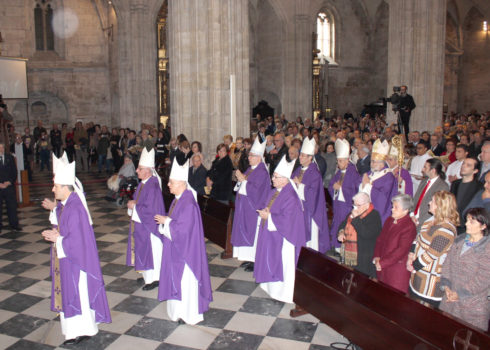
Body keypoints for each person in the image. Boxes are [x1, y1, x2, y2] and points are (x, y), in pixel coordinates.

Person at [41, 158, 111, 345]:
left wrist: (59, 239)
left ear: (66, 188)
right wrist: (58, 234)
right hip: (69, 259)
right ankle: (77, 329)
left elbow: (78, 242)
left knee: (78, 294)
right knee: (74, 293)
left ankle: (83, 330)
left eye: (56, 186)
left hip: (76, 261)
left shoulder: (75, 207)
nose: (53, 190)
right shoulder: (68, 204)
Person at [155, 160, 213, 325]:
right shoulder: (178, 199)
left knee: (185, 283)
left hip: (186, 254)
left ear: (181, 183)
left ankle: (189, 314)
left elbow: (183, 231)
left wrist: (166, 222)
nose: (168, 184)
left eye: (171, 182)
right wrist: (166, 222)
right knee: (178, 280)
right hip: (177, 249)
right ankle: (178, 312)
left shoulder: (187, 202)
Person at [254, 155, 307, 303]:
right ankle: (270, 287)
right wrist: (266, 211)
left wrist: (268, 217)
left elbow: (288, 220)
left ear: (285, 179)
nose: (273, 179)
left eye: (276, 177)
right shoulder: (276, 191)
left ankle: (283, 293)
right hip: (273, 235)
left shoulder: (290, 196)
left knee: (282, 265)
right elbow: (270, 206)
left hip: (285, 238)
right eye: (273, 176)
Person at [439, 208, 490, 331]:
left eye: (472, 222)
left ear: (483, 226)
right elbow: (447, 264)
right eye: (467, 220)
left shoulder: (487, 248)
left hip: (472, 307)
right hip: (449, 301)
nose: (466, 224)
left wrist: (460, 293)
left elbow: (483, 278)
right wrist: (446, 287)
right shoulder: (460, 240)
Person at [407, 191, 458, 307]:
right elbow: (417, 238)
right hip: (417, 275)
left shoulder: (447, 230)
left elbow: (431, 254)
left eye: (433, 201)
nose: (429, 203)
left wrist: (413, 265)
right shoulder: (431, 220)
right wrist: (410, 255)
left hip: (430, 284)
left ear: (440, 206)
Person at [126, 148, 166, 291]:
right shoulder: (144, 183)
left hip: (150, 228)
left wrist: (134, 207)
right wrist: (133, 205)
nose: (137, 171)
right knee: (144, 250)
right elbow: (141, 202)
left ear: (148, 170)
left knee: (153, 252)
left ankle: (156, 278)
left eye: (140, 168)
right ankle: (146, 275)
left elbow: (151, 210)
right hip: (142, 225)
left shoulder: (153, 185)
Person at [231, 137, 270, 272]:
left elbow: (257, 191)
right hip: (245, 207)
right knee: (245, 232)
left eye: (252, 156)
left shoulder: (262, 171)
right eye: (249, 155)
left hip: (253, 208)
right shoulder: (251, 169)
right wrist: (241, 180)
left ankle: (255, 260)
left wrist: (243, 180)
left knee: (253, 233)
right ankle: (248, 258)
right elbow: (244, 183)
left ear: (259, 157)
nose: (249, 158)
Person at [292, 137, 329, 252]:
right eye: (300, 155)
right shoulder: (298, 170)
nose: (300, 157)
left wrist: (300, 185)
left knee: (309, 239)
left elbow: (314, 194)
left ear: (310, 158)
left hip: (310, 210)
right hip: (297, 208)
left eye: (303, 155)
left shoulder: (315, 173)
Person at [373, 194, 417, 293]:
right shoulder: (389, 220)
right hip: (383, 265)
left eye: (396, 207)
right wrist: (377, 257)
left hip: (396, 271)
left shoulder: (409, 226)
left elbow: (401, 251)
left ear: (405, 210)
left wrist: (383, 263)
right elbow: (380, 240)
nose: (392, 209)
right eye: (393, 206)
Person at [338, 192, 382, 278]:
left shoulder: (374, 215)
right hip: (348, 253)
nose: (355, 208)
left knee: (360, 281)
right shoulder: (354, 213)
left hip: (363, 256)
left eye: (358, 205)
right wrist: (341, 232)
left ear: (367, 204)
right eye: (354, 205)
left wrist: (356, 219)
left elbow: (367, 234)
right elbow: (343, 225)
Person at [329, 139, 361, 252]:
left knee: (345, 226)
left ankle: (344, 249)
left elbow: (355, 190)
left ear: (348, 160)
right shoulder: (339, 172)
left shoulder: (353, 172)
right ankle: (336, 246)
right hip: (338, 205)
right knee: (337, 224)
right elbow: (331, 184)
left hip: (347, 206)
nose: (339, 164)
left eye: (341, 161)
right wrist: (334, 187)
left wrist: (341, 189)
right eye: (338, 161)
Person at [359, 139, 398, 224]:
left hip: (379, 215)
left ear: (382, 163)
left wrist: (368, 186)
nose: (372, 164)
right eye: (371, 161)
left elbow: (383, 198)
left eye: (374, 162)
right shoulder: (370, 173)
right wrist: (362, 183)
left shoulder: (388, 177)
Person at [412, 158, 449, 232]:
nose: (422, 169)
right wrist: (412, 215)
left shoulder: (442, 186)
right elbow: (416, 199)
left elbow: (437, 209)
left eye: (425, 167)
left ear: (433, 170)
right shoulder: (424, 181)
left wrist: (419, 221)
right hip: (414, 219)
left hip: (426, 223)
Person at [450, 157, 483, 234]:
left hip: (466, 226)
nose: (463, 166)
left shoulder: (479, 187)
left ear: (475, 171)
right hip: (452, 224)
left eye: (468, 165)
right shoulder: (455, 183)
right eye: (463, 163)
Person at [0, 143, 20, 232]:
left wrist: (9, 182)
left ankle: (14, 224)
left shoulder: (10, 157)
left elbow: (14, 172)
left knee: (12, 206)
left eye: (2, 147)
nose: (1, 149)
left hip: (9, 186)